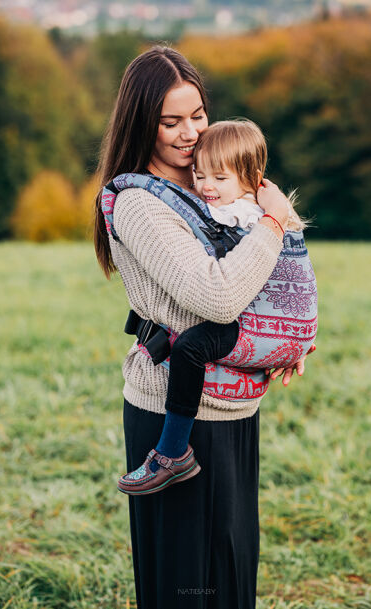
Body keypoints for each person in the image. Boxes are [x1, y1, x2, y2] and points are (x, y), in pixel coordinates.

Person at [94, 45, 314, 609]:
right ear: (143, 121)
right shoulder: (141, 203)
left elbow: (274, 276)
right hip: (174, 414)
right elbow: (218, 296)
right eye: (171, 121)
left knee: (231, 573)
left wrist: (282, 339)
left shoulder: (214, 184)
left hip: (236, 408)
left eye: (197, 115)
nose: (190, 132)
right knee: (186, 586)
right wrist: (273, 217)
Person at [117, 118, 312, 497]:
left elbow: (222, 288)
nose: (206, 187)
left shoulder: (241, 213)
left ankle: (173, 452)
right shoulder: (255, 207)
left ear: (252, 180)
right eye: (200, 175)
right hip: (277, 327)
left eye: (218, 179)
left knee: (190, 347)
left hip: (260, 326)